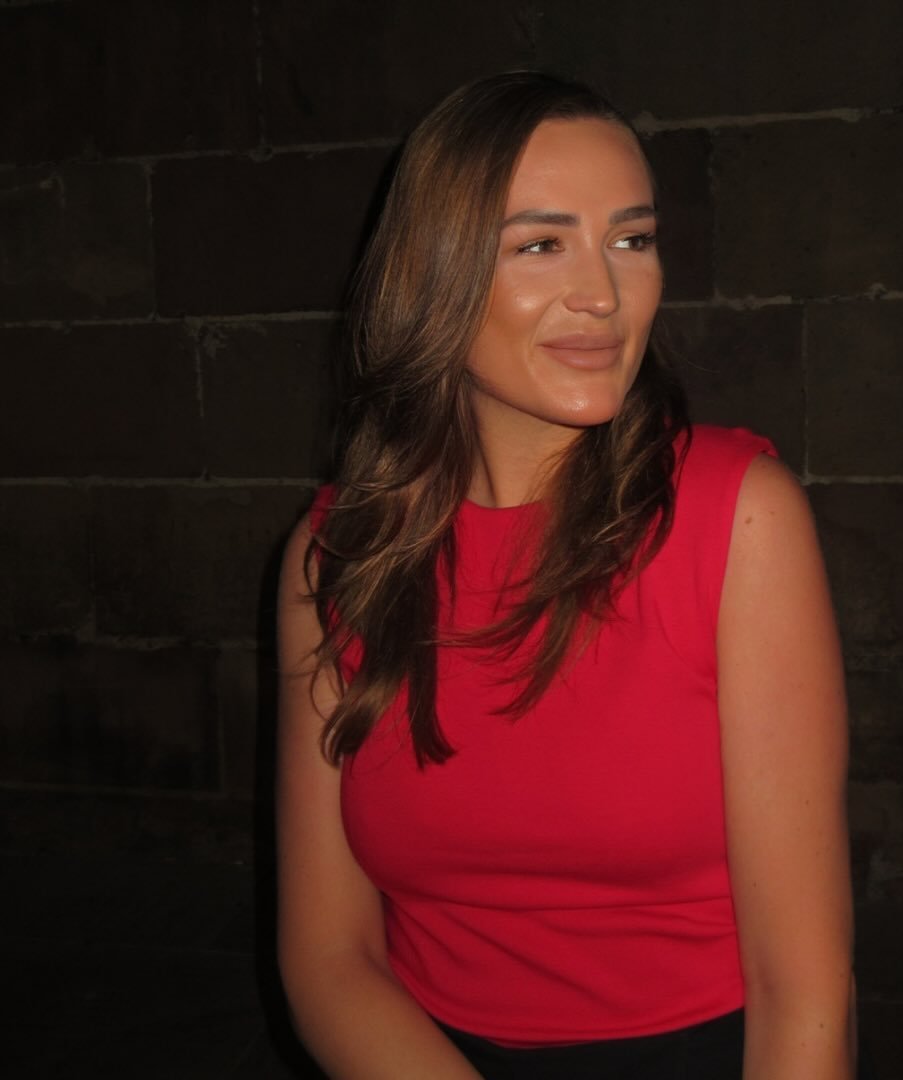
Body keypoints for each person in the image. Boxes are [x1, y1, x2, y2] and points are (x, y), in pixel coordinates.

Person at [276, 71, 855, 1079]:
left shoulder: (737, 518)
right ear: (432, 274)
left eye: (632, 239)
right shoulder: (338, 553)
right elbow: (329, 959)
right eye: (541, 245)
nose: (604, 293)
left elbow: (804, 990)